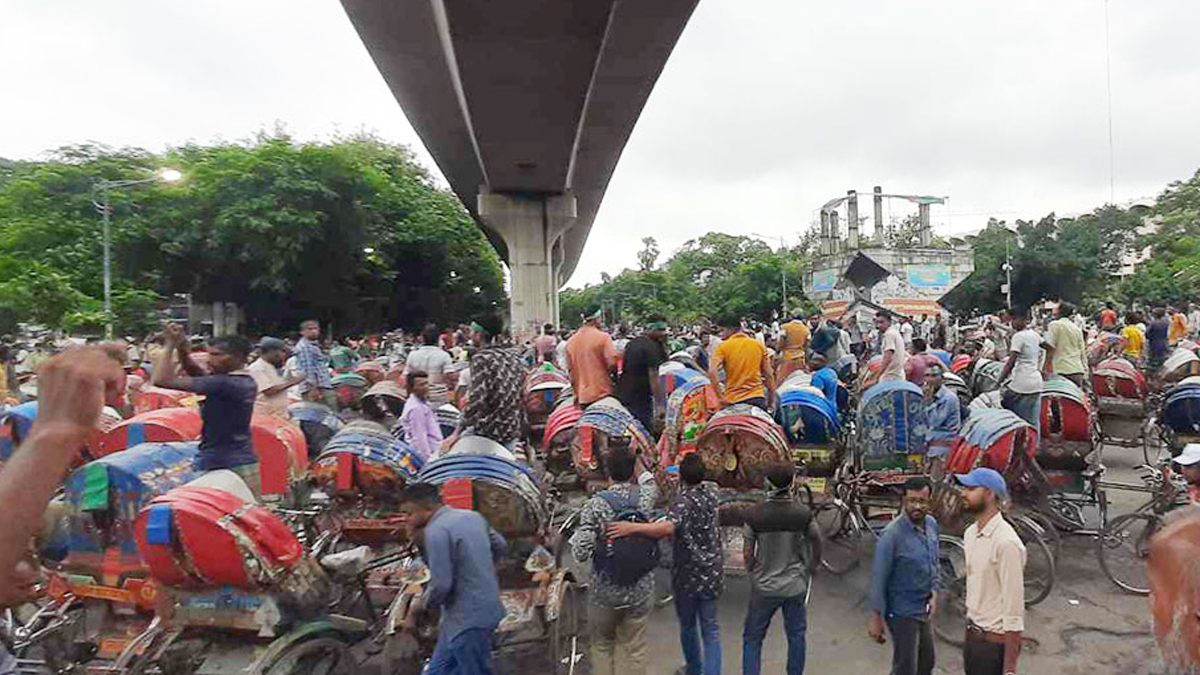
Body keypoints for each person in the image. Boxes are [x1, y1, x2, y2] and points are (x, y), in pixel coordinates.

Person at [606, 454, 723, 675]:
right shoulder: (712, 492)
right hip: (712, 570)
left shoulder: (683, 501)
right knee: (711, 629)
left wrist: (631, 528)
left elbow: (668, 528)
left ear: (681, 477)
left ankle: (695, 669)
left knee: (688, 626)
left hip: (688, 574)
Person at [399, 483, 507, 675]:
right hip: (476, 612)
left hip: (467, 620)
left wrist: (422, 608)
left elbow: (442, 585)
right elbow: (500, 546)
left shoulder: (435, 531)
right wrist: (480, 568)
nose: (407, 519)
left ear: (427, 508)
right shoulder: (473, 517)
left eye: (409, 513)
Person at [569, 448, 659, 675]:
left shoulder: (596, 505)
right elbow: (649, 480)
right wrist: (637, 461)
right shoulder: (647, 496)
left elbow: (580, 552)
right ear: (632, 473)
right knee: (635, 649)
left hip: (605, 590)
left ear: (607, 472)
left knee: (602, 646)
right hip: (641, 587)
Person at [152, 325, 260, 497]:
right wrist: (182, 348)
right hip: (239, 459)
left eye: (217, 355)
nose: (210, 359)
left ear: (239, 357)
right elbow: (197, 374)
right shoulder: (241, 381)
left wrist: (170, 344)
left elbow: (161, 380)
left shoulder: (225, 383)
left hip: (222, 462)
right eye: (209, 353)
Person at [740, 464, 822, 675]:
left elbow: (748, 553)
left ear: (768, 484)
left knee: (752, 638)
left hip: (764, 586)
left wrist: (753, 572)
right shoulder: (802, 513)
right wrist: (812, 566)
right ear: (791, 484)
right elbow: (816, 539)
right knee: (796, 636)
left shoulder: (753, 515)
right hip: (795, 585)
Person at [956, 468, 1025, 675]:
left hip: (994, 646)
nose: (963, 493)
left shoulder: (1006, 543)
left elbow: (1014, 610)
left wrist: (1010, 667)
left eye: (971, 489)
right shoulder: (970, 534)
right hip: (972, 638)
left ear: (989, 494)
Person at [869, 477, 941, 675]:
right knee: (905, 666)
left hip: (923, 607)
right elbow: (878, 578)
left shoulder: (932, 525)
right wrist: (876, 618)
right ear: (904, 501)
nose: (917, 506)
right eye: (912, 501)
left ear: (929, 501)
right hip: (902, 612)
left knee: (927, 661)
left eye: (922, 501)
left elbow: (934, 561)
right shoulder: (891, 536)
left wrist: (935, 590)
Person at [446, 321, 527, 449]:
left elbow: (477, 401)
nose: (470, 336)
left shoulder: (481, 358)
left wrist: (456, 433)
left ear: (479, 335)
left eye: (472, 332)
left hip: (488, 431)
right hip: (511, 429)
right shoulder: (513, 357)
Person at [709, 317, 774, 412]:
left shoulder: (722, 347)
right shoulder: (758, 345)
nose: (720, 335)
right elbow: (769, 375)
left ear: (730, 329)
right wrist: (771, 401)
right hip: (756, 398)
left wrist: (720, 397)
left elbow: (712, 371)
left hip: (732, 400)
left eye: (721, 331)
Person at [618, 319, 669, 434]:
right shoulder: (652, 347)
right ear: (651, 329)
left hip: (625, 393)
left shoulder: (633, 343)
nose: (664, 333)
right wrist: (660, 404)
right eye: (660, 330)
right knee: (645, 431)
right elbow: (654, 378)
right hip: (640, 396)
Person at [998, 308, 1043, 434]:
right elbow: (1049, 348)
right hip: (1036, 382)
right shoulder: (1034, 334)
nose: (1012, 322)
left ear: (1024, 320)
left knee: (1010, 412)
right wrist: (1041, 367)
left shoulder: (1018, 336)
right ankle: (1034, 448)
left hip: (1022, 384)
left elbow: (1010, 363)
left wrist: (999, 381)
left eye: (1014, 319)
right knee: (1033, 420)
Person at [566, 310, 618, 408]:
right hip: (602, 393)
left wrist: (576, 393)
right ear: (596, 320)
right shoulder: (603, 337)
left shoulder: (571, 341)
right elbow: (612, 363)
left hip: (582, 396)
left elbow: (571, 372)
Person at [245, 337, 305, 418]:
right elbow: (269, 391)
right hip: (265, 416)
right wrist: (294, 382)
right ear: (272, 351)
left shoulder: (270, 366)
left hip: (278, 415)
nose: (284, 355)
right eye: (282, 351)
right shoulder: (257, 368)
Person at [1043, 301, 1088, 389]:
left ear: (1059, 311)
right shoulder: (1076, 329)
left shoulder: (1054, 325)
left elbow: (1050, 347)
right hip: (1077, 370)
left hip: (1060, 370)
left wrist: (1044, 368)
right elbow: (1082, 352)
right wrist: (1085, 371)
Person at [407, 324, 454, 405]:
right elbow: (450, 376)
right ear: (439, 338)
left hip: (419, 398)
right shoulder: (444, 355)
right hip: (439, 399)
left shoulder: (412, 355)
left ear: (422, 338)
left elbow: (407, 377)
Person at [402, 370, 442, 462]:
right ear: (412, 388)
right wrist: (427, 460)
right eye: (421, 385)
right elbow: (419, 437)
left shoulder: (423, 403)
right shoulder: (416, 408)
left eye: (427, 384)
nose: (426, 387)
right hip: (430, 454)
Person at [294, 319, 336, 408]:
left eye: (315, 328)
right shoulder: (305, 347)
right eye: (310, 329)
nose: (314, 331)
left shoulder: (313, 345)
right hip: (316, 388)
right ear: (302, 332)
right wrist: (313, 389)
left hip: (322, 385)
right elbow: (308, 370)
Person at [923, 364, 961, 460]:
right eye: (927, 375)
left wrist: (928, 401)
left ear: (941, 378)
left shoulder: (949, 398)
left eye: (934, 376)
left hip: (942, 445)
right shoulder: (924, 395)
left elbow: (934, 422)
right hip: (928, 443)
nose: (930, 379)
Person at [777, 314, 810, 381]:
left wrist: (778, 350)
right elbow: (807, 346)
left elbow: (781, 342)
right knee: (799, 378)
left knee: (784, 378)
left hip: (787, 356)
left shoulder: (785, 327)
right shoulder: (806, 330)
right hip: (800, 356)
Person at [878, 313, 907, 383]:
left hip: (890, 376)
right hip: (898, 374)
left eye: (882, 322)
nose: (879, 325)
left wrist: (877, 375)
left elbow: (888, 355)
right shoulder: (894, 332)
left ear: (889, 322)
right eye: (877, 322)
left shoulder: (889, 334)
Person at [1148, 307, 1172, 374]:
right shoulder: (1166, 322)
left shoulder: (1153, 323)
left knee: (1153, 362)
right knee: (1162, 361)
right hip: (1164, 343)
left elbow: (1147, 333)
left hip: (1154, 344)